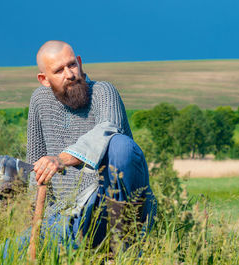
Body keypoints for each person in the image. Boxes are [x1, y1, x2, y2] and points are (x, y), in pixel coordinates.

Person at [25, 40, 157, 249]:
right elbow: (36, 164)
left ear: (79, 62)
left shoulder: (103, 92)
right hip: (70, 215)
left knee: (120, 145)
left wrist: (61, 159)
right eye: (59, 70)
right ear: (44, 79)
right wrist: (40, 218)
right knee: (7, 253)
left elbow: (107, 131)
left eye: (72, 65)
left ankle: (125, 247)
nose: (70, 74)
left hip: (109, 201)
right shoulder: (40, 101)